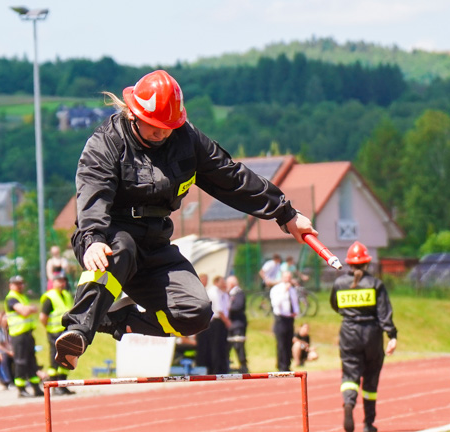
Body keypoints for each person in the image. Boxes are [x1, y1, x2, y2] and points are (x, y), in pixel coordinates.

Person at [53, 69, 316, 370]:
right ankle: (77, 330)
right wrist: (93, 239)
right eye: (154, 127)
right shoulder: (106, 143)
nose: (161, 134)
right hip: (110, 234)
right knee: (120, 247)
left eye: (168, 127)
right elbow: (92, 193)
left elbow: (231, 177)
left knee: (197, 313)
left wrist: (286, 214)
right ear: (133, 114)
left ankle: (113, 319)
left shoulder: (185, 139)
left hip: (155, 243)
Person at [330, 241, 397, 432]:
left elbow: (335, 306)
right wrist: (392, 335)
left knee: (350, 375)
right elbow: (384, 313)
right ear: (367, 263)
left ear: (349, 263)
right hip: (372, 334)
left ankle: (349, 402)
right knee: (370, 378)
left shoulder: (339, 284)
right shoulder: (376, 284)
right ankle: (368, 423)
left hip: (349, 332)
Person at [5, 276, 43, 397]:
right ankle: (21, 389)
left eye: (21, 284)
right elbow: (25, 311)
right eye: (17, 284)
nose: (20, 286)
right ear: (11, 285)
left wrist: (29, 309)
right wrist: (30, 308)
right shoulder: (11, 298)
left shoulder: (22, 297)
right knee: (21, 362)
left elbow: (29, 310)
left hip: (27, 333)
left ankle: (36, 387)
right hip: (18, 335)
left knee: (32, 361)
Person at [39, 272, 74, 393]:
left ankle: (63, 385)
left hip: (66, 331)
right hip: (54, 332)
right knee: (55, 359)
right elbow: (43, 317)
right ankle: (54, 386)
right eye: (59, 281)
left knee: (67, 358)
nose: (62, 283)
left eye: (63, 281)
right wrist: (49, 328)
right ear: (53, 283)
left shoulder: (66, 295)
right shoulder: (50, 297)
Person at [270, 271, 300, 372]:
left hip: (290, 318)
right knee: (281, 343)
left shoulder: (292, 290)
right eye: (286, 277)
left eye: (289, 277)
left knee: (288, 342)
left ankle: (287, 364)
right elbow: (276, 303)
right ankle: (281, 366)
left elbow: (295, 302)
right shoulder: (277, 289)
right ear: (282, 278)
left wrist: (296, 312)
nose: (288, 279)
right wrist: (284, 291)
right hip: (280, 319)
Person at [225, 275, 248, 373]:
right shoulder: (229, 294)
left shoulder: (238, 293)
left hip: (238, 323)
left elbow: (238, 306)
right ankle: (226, 364)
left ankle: (243, 365)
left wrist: (227, 308)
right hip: (229, 324)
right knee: (227, 345)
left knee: (239, 345)